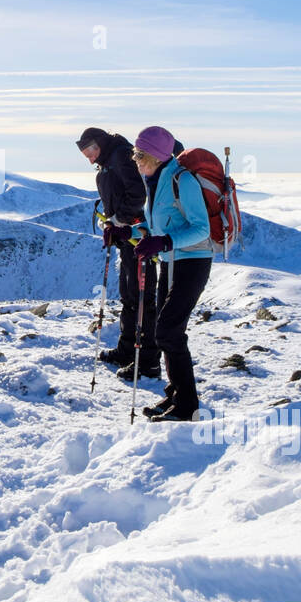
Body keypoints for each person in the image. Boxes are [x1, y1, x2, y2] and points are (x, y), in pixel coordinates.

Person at [128, 125, 212, 421]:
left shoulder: (181, 180)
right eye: (135, 155)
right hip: (170, 261)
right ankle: (176, 394)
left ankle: (188, 406)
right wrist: (130, 232)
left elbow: (201, 228)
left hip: (192, 261)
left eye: (140, 155)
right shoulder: (159, 180)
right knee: (164, 331)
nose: (136, 161)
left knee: (169, 330)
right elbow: (160, 226)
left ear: (155, 155)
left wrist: (164, 242)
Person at [77, 127, 159, 380]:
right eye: (84, 154)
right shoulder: (107, 162)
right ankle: (126, 350)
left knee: (141, 296)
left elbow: (137, 194)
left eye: (91, 150)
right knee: (129, 295)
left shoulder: (122, 156)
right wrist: (112, 224)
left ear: (100, 143)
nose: (90, 157)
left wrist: (120, 221)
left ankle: (147, 360)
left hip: (139, 237)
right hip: (127, 237)